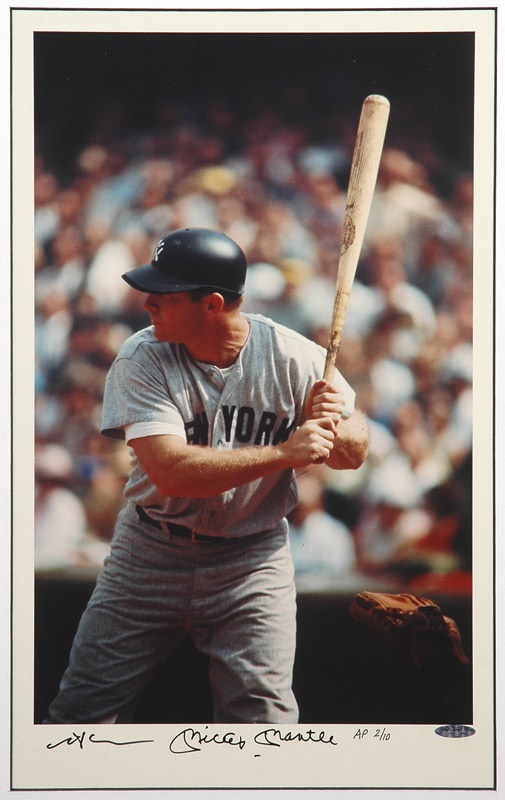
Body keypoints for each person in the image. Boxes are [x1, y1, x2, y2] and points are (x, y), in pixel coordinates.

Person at [44, 227, 369, 725]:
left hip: (251, 558)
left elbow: (353, 454)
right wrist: (284, 451)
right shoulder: (141, 356)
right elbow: (173, 473)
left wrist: (336, 424)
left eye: (164, 294)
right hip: (150, 553)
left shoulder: (292, 355)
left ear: (212, 304)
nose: (148, 302)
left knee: (263, 722)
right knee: (82, 713)